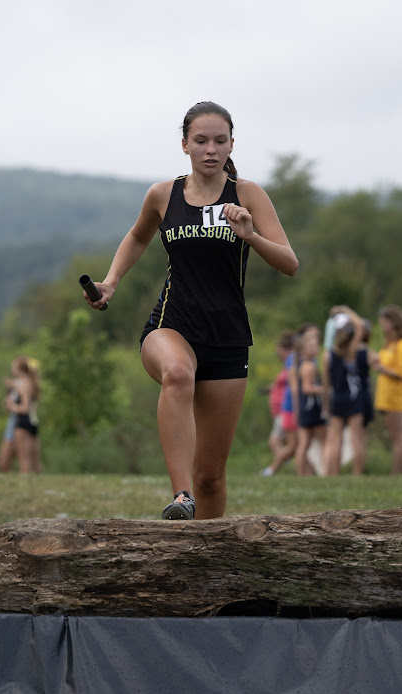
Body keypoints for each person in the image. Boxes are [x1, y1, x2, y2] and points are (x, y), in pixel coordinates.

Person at [83, 101, 298, 519]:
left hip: (228, 338)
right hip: (172, 326)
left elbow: (290, 263)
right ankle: (180, 496)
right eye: (201, 140)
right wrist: (111, 282)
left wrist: (250, 235)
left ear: (232, 144)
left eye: (220, 141)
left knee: (212, 478)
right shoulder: (164, 195)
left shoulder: (248, 195)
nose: (210, 149)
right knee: (178, 373)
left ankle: (206, 565)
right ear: (185, 145)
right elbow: (138, 237)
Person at [323, 307, 375, 475]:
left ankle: (334, 473)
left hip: (337, 398)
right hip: (353, 398)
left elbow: (326, 385)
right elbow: (360, 325)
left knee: (335, 439)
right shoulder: (352, 351)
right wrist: (346, 310)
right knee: (356, 438)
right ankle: (357, 474)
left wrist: (326, 405)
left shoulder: (328, 355)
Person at [372, 305, 402, 474]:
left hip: (396, 398)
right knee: (395, 437)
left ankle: (397, 474)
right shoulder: (390, 344)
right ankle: (396, 472)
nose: (382, 325)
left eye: (385, 321)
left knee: (400, 438)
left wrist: (382, 369)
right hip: (385, 398)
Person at [261, 329, 295, 476]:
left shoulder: (291, 361)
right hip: (282, 410)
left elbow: (292, 382)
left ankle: (276, 467)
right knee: (292, 443)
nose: (276, 353)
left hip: (285, 409)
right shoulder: (288, 363)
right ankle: (283, 463)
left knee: (276, 441)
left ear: (284, 349)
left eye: (278, 350)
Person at [294, 324, 326, 476]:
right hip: (312, 408)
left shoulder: (303, 364)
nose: (316, 348)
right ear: (304, 349)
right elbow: (307, 388)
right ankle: (326, 472)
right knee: (322, 441)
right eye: (312, 345)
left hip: (306, 408)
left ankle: (304, 473)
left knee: (304, 443)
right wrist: (324, 389)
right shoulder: (308, 366)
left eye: (316, 344)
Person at [3, 356, 41, 474]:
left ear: (20, 369)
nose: (12, 369)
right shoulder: (31, 383)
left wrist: (11, 406)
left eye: (13, 366)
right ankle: (36, 485)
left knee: (24, 462)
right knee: (34, 462)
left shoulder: (25, 385)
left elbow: (25, 408)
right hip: (32, 422)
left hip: (23, 422)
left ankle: (25, 487)